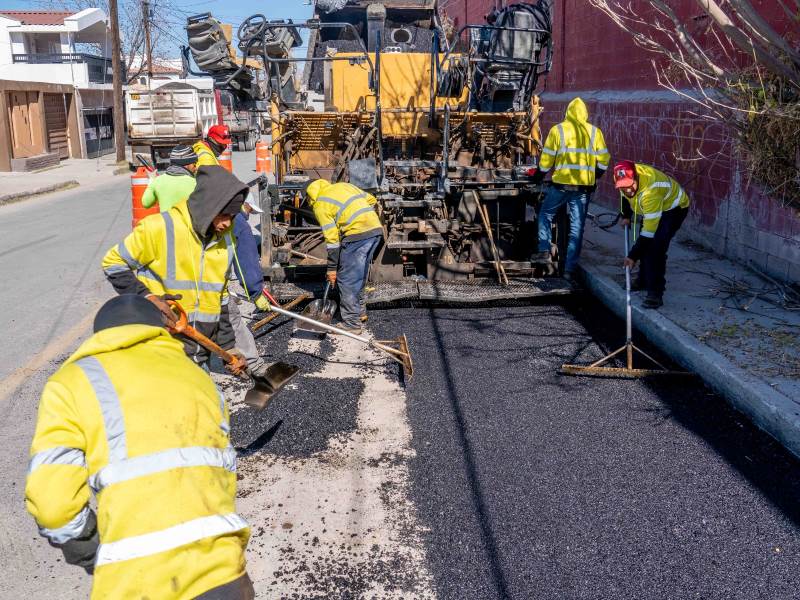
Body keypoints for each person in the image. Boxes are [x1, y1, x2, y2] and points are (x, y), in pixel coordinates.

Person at [25, 294, 253, 599]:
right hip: (223, 575)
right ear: (158, 329)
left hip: (135, 584)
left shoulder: (70, 384)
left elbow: (53, 507)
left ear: (102, 335)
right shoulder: (200, 379)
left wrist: (91, 552)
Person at [102, 165, 252, 370]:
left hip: (199, 355)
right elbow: (113, 263)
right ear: (208, 205)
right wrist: (147, 297)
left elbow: (221, 300)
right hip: (159, 349)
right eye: (223, 214)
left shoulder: (225, 240)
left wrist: (229, 348)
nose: (227, 223)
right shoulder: (160, 227)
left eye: (232, 217)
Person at [532, 97, 610, 280]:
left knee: (545, 215)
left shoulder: (557, 130)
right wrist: (594, 176)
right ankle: (569, 270)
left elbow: (546, 161)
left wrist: (537, 176)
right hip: (583, 189)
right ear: (585, 114)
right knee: (577, 228)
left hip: (560, 186)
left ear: (567, 113)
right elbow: (604, 161)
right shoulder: (594, 132)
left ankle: (544, 251)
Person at [300, 179, 383, 334]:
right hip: (375, 231)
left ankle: (352, 324)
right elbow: (372, 199)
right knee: (359, 276)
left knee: (347, 279)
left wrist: (332, 269)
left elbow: (332, 241)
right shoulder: (344, 186)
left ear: (310, 196)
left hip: (356, 235)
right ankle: (359, 313)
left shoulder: (320, 204)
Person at [613, 160, 691, 309]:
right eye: (623, 187)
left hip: (673, 209)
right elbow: (624, 196)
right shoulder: (621, 176)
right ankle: (643, 280)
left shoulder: (650, 192)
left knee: (655, 249)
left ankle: (655, 293)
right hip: (653, 208)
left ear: (636, 178)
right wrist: (626, 215)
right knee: (646, 247)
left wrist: (632, 256)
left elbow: (647, 234)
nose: (628, 190)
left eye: (630, 186)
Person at [141, 144, 198, 212]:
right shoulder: (196, 184)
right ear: (186, 164)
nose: (196, 168)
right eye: (194, 164)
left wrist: (152, 180)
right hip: (188, 222)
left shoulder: (158, 181)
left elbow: (146, 203)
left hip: (167, 222)